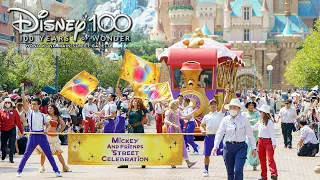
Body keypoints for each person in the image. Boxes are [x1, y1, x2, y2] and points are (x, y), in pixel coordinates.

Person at [17, 85, 62, 177]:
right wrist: (22, 91)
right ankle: (19, 171)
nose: (32, 106)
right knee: (27, 154)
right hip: (33, 135)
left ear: (39, 105)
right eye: (32, 104)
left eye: (34, 104)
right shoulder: (29, 112)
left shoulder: (42, 115)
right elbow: (24, 101)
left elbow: (48, 125)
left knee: (49, 153)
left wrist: (46, 130)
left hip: (42, 136)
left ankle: (56, 171)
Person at [213, 98, 257, 180]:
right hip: (228, 148)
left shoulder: (244, 120)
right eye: (231, 107)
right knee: (230, 172)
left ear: (239, 109)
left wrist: (254, 148)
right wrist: (215, 146)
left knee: (238, 170)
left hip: (241, 147)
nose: (232, 109)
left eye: (235, 107)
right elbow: (220, 133)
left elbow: (250, 135)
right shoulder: (225, 120)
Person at [117, 97, 153, 168]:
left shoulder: (141, 110)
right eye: (133, 101)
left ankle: (143, 162)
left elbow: (150, 109)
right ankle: (125, 163)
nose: (134, 102)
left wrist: (149, 101)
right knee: (129, 145)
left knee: (140, 145)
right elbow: (119, 108)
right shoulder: (129, 110)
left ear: (138, 103)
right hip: (131, 129)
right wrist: (120, 100)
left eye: (136, 101)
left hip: (139, 128)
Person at [36, 103, 72, 173]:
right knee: (43, 153)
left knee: (58, 153)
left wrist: (59, 132)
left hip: (54, 137)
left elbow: (63, 125)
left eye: (51, 108)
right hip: (47, 136)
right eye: (48, 108)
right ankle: (42, 167)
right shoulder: (46, 116)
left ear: (54, 109)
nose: (49, 110)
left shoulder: (57, 117)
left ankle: (64, 167)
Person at [200, 92, 228, 177]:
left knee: (224, 154)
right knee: (206, 154)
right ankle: (206, 170)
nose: (213, 106)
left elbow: (225, 103)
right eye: (211, 105)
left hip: (218, 137)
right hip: (208, 137)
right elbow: (202, 126)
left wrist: (226, 93)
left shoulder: (220, 114)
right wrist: (202, 130)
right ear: (209, 107)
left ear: (217, 106)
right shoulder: (206, 116)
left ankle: (229, 170)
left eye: (214, 104)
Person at [164, 100, 197, 168]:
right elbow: (166, 120)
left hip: (178, 129)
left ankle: (188, 162)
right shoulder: (169, 111)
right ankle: (172, 162)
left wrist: (193, 112)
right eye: (177, 104)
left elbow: (184, 115)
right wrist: (173, 124)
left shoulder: (177, 111)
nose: (178, 105)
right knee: (172, 145)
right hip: (172, 130)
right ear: (173, 104)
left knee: (182, 145)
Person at [252, 104, 278, 180]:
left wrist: (274, 143)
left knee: (270, 159)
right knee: (262, 159)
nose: (260, 113)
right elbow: (254, 128)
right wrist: (246, 127)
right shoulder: (260, 121)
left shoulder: (269, 122)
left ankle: (274, 174)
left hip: (268, 142)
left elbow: (272, 133)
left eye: (261, 112)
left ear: (265, 113)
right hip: (260, 141)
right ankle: (263, 176)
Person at [0, 98, 24, 163]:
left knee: (12, 143)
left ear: (11, 104)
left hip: (12, 129)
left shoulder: (14, 111)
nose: (7, 104)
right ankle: (4, 153)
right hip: (3, 130)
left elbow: (18, 122)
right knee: (3, 144)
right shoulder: (1, 111)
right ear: (4, 104)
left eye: (9, 103)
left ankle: (11, 158)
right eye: (6, 103)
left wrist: (21, 131)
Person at [241, 102, 260, 171]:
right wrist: (252, 121)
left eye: (252, 105)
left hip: (255, 133)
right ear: (247, 106)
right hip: (247, 133)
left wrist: (250, 121)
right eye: (249, 105)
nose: (251, 106)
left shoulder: (257, 113)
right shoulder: (244, 114)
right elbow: (244, 121)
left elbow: (258, 121)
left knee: (255, 148)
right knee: (247, 148)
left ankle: (254, 164)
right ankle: (244, 163)